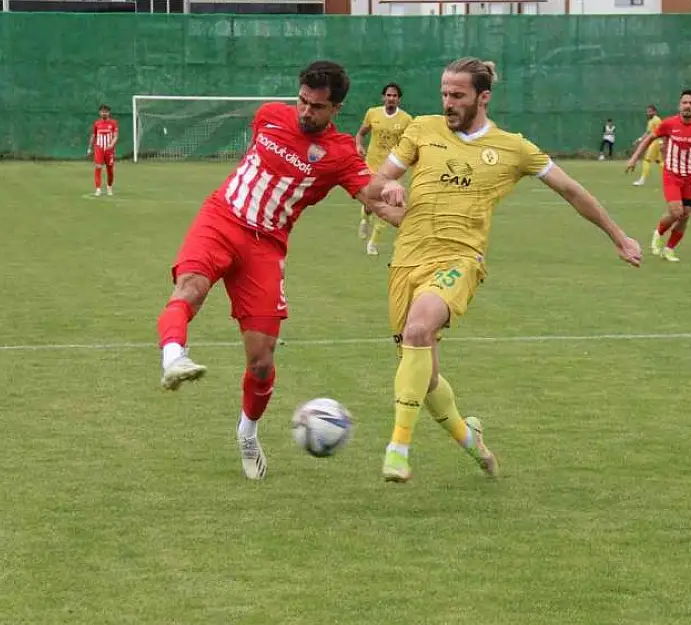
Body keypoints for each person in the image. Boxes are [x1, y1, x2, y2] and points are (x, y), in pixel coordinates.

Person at [365, 57, 642, 483]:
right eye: (444, 93)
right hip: (407, 260)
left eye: (457, 95)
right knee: (425, 373)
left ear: (483, 97)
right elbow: (371, 187)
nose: (448, 103)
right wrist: (390, 188)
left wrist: (619, 237)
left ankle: (398, 448)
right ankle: (471, 439)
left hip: (460, 261)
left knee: (420, 328)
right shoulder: (422, 129)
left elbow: (571, 190)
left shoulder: (514, 148)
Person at [156, 61, 403, 481]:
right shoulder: (269, 115)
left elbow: (375, 197)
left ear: (336, 108)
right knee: (190, 288)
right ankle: (173, 358)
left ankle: (247, 433)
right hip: (220, 219)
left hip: (266, 247)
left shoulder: (340, 153)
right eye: (302, 101)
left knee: (261, 363)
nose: (305, 112)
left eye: (317, 107)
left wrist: (402, 200)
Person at [626, 90, 691, 262]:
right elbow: (649, 138)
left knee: (686, 215)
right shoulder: (669, 124)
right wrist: (634, 158)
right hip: (672, 174)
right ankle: (658, 233)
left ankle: (669, 249)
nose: (687, 106)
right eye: (684, 103)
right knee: (676, 212)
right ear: (679, 105)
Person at [355, 82, 412, 256]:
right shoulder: (373, 113)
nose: (391, 98)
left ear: (399, 99)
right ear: (383, 97)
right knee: (369, 201)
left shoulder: (406, 119)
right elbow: (361, 133)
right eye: (388, 95)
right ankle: (365, 218)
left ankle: (374, 241)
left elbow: (409, 143)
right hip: (371, 165)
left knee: (390, 203)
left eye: (394, 96)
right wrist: (358, 145)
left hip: (393, 169)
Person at [87, 105, 118, 196]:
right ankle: (98, 189)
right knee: (98, 167)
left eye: (106, 111)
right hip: (99, 148)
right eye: (102, 111)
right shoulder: (97, 123)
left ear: (109, 112)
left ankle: (109, 187)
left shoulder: (113, 123)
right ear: (99, 112)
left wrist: (111, 144)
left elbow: (116, 136)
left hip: (109, 150)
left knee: (110, 170)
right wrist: (89, 148)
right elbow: (93, 136)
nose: (104, 113)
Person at [630, 105, 663, 186]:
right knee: (660, 161)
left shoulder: (657, 120)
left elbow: (661, 131)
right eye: (647, 111)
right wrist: (639, 139)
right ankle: (670, 179)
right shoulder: (650, 121)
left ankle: (642, 180)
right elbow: (648, 133)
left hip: (656, 142)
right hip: (655, 142)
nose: (648, 113)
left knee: (647, 160)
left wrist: (661, 143)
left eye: (650, 111)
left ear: (655, 112)